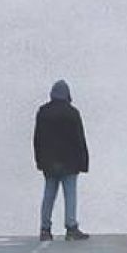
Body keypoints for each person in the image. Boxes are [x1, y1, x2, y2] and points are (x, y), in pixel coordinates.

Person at [33, 80, 90, 241]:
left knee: (49, 194)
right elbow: (79, 139)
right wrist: (84, 162)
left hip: (49, 162)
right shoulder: (72, 113)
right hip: (70, 162)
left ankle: (45, 229)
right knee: (70, 195)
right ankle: (71, 228)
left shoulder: (43, 112)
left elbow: (37, 139)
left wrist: (39, 160)